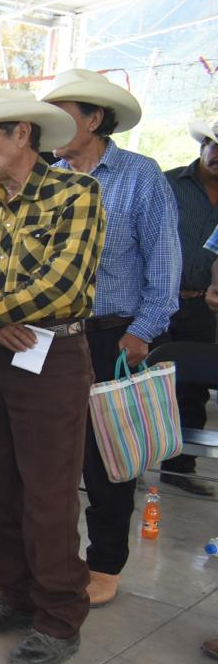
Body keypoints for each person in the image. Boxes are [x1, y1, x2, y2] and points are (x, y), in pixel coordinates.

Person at [0, 89, 104, 664]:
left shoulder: (76, 194)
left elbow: (64, 285)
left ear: (22, 135)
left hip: (52, 356)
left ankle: (59, 617)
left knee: (48, 494)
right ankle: (14, 594)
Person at [40, 68, 181, 605]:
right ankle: (50, 561)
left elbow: (164, 262)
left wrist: (141, 332)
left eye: (62, 118)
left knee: (106, 457)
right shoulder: (48, 179)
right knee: (51, 455)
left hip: (111, 336)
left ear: (95, 118)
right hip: (50, 336)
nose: (50, 131)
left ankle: (104, 564)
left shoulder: (140, 175)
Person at [161, 119, 218, 496]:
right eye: (216, 145)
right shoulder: (167, 183)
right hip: (157, 300)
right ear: (203, 145)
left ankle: (179, 468)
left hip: (203, 305)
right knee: (142, 381)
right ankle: (128, 461)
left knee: (192, 389)